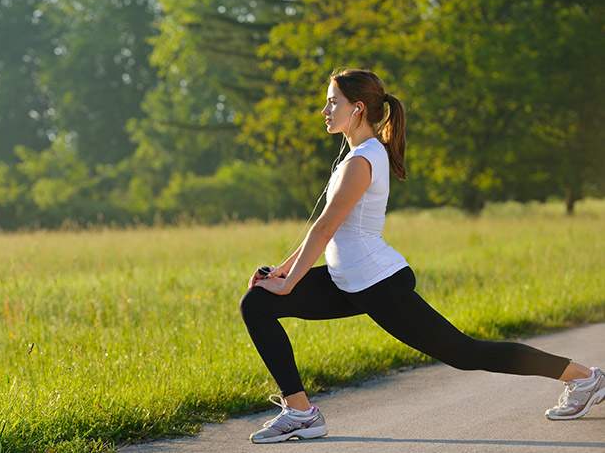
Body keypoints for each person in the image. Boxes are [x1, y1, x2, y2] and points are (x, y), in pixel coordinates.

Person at [239, 68, 604, 444]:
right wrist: (279, 273)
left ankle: (584, 377)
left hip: (377, 284)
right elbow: (327, 228)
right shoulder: (359, 156)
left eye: (333, 102)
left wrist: (290, 282)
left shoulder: (361, 161)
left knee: (466, 352)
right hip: (347, 279)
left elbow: (325, 228)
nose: (325, 110)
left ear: (358, 109)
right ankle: (300, 411)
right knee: (257, 303)